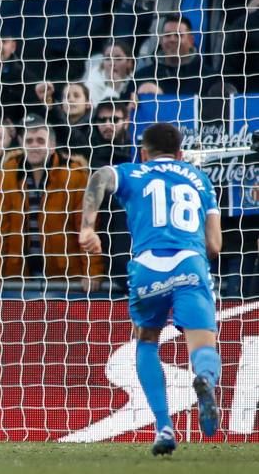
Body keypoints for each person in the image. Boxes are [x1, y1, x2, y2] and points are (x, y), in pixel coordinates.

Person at [78, 122, 223, 454]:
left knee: (146, 342)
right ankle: (203, 377)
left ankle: (163, 428)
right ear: (181, 153)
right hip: (190, 264)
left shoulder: (134, 172)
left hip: (147, 269)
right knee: (202, 344)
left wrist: (88, 227)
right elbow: (214, 245)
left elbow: (100, 176)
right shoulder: (199, 179)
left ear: (143, 152)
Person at [0, 119, 104, 292]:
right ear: (21, 143)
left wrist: (91, 272)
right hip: (18, 273)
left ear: (52, 145)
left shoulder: (75, 175)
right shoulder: (7, 174)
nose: (34, 145)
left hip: (64, 275)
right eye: (29, 141)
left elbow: (86, 227)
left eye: (40, 141)